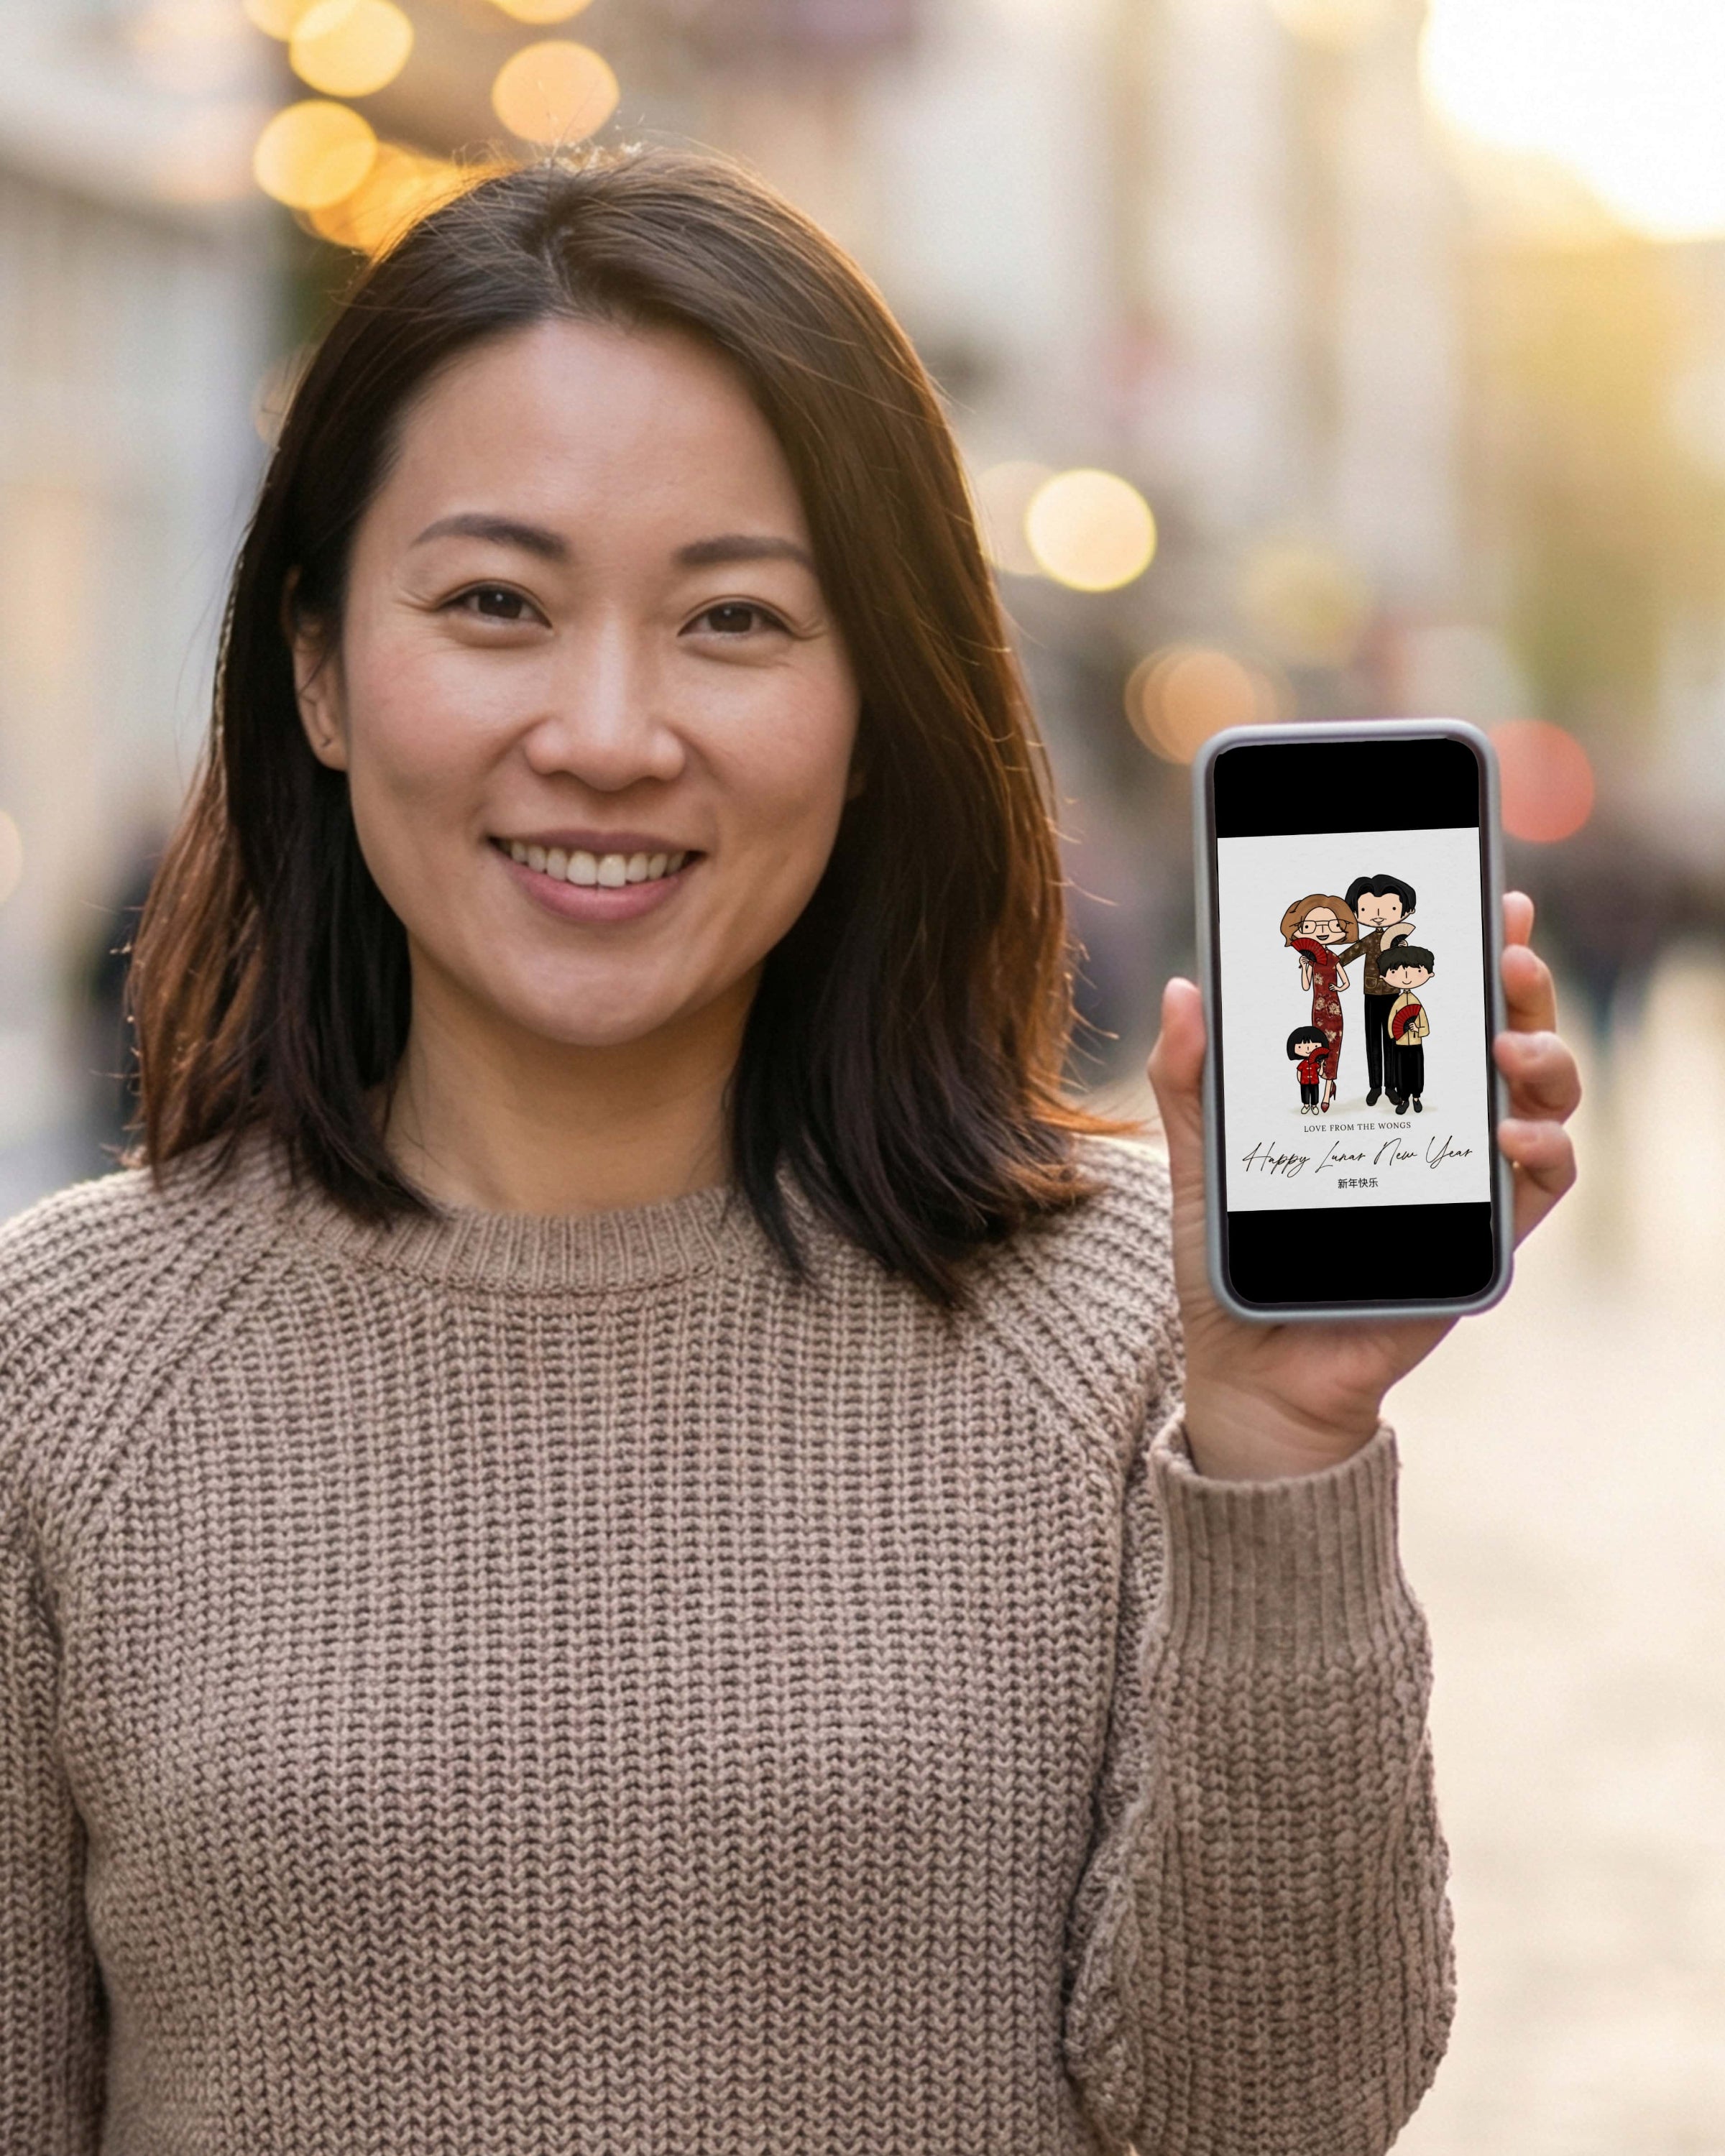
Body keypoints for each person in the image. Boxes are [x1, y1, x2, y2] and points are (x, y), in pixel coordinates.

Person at [0, 149, 1581, 2156]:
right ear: (316, 666)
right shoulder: (60, 1367)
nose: (607, 729)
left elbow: (1272, 2114)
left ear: (872, 702)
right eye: (495, 603)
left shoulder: (1125, 1336)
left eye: (734, 619)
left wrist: (1282, 1444)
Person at [1335, 872, 1417, 1107]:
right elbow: (1351, 953)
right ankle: (1375, 1086)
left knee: (1392, 1040)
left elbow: (1408, 968)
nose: (1379, 916)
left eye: (1390, 909)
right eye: (1368, 910)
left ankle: (1390, 1087)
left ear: (1404, 911)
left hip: (1393, 994)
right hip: (1371, 994)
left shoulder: (1398, 940)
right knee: (1372, 1041)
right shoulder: (1370, 940)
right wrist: (1330, 962)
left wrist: (1401, 950)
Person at [1279, 891, 1357, 1112]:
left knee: (1334, 1049)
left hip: (1334, 1008)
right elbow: (1306, 986)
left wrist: (1338, 988)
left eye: (1331, 925)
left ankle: (1326, 1092)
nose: (1322, 932)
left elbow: (1346, 982)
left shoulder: (1333, 958)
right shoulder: (1312, 960)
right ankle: (1323, 1086)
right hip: (1318, 1009)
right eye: (1310, 927)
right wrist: (1305, 967)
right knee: (1319, 1049)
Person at [1384, 944, 1437, 1113]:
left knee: (1416, 1072)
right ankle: (1404, 1099)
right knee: (1401, 1073)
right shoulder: (1398, 1002)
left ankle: (1416, 1098)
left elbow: (1426, 1028)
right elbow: (1392, 1021)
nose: (1406, 978)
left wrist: (1416, 1029)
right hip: (1400, 1045)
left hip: (1415, 1044)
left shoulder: (1416, 1003)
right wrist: (1395, 1034)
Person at [1287, 1024, 1329, 1112]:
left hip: (1314, 1082)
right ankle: (1306, 1106)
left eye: (1315, 1046)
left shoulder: (1315, 1063)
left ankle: (1314, 1106)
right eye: (1300, 1047)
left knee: (1315, 1095)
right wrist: (1300, 1080)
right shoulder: (1303, 1064)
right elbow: (1299, 1072)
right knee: (1305, 1094)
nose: (1308, 1049)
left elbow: (1320, 1073)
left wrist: (1321, 1065)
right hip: (1304, 1082)